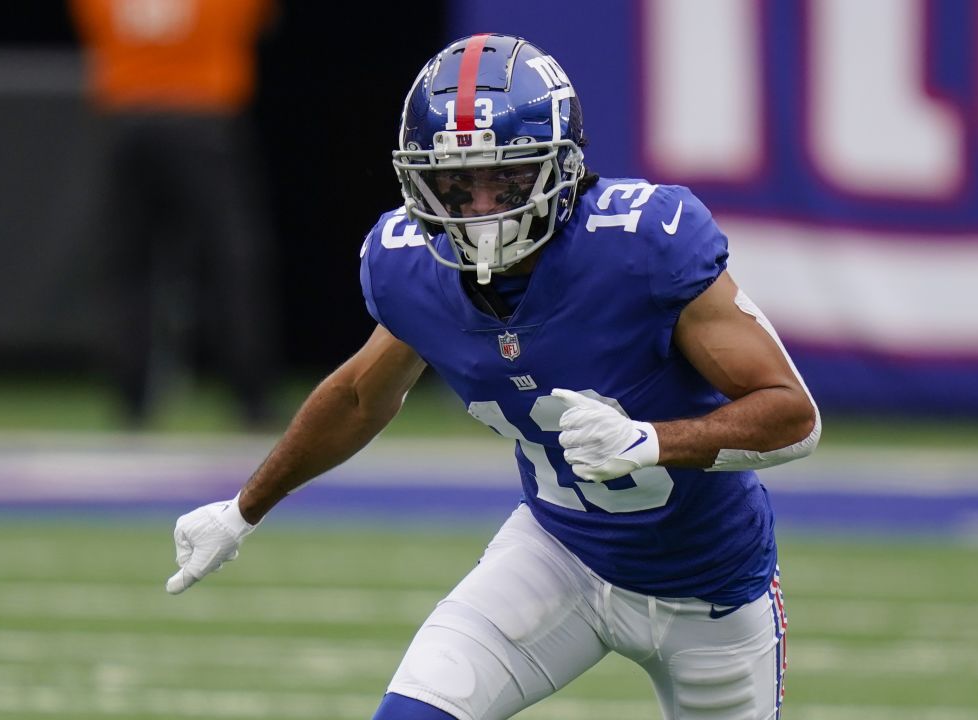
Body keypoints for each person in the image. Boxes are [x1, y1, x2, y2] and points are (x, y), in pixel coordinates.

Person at [166, 33, 821, 720]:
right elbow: (361, 396)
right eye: (455, 183)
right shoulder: (413, 269)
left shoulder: (642, 247)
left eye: (506, 179)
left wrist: (653, 443)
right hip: (558, 555)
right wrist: (243, 508)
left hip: (710, 591)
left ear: (562, 167)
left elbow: (792, 415)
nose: (481, 209)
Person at [70, 0, 279, 428]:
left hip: (127, 115)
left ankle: (132, 399)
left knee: (127, 263)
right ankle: (250, 397)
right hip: (202, 112)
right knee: (229, 259)